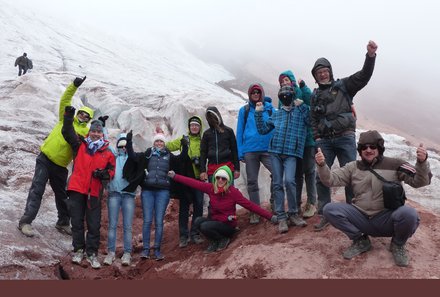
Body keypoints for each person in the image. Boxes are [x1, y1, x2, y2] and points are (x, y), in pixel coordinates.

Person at [315, 130, 432, 267]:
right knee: (329, 209)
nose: (368, 150)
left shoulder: (395, 164)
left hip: (386, 219)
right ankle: (360, 240)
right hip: (361, 217)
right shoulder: (353, 167)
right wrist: (322, 165)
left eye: (372, 146)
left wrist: (422, 162)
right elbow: (330, 180)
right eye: (364, 147)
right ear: (360, 150)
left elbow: (420, 182)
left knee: (409, 214)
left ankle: (397, 245)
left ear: (380, 147)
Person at [310, 40, 378, 231]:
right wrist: (317, 138)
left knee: (351, 175)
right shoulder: (314, 95)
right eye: (318, 72)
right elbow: (313, 118)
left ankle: (353, 212)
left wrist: (370, 56)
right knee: (321, 176)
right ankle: (324, 212)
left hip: (345, 137)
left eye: (324, 70)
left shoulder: (345, 85)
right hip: (325, 141)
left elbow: (364, 76)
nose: (322, 74)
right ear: (315, 76)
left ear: (330, 71)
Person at [18, 76, 92, 237]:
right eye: (82, 114)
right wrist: (74, 85)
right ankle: (26, 222)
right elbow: (65, 98)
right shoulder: (64, 119)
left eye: (87, 117)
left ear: (89, 120)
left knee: (62, 195)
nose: (83, 117)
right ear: (78, 113)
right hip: (45, 159)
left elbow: (92, 144)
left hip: (61, 165)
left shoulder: (86, 132)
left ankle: (63, 222)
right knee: (37, 189)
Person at [168, 165, 277, 253]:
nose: (220, 180)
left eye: (223, 178)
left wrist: (270, 217)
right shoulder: (211, 188)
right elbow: (193, 183)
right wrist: (175, 176)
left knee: (205, 226)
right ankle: (214, 241)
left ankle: (223, 239)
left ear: (228, 180)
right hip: (215, 222)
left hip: (228, 226)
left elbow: (250, 205)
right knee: (198, 221)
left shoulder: (233, 192)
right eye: (218, 177)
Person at [62, 107, 115, 269]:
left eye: (99, 132)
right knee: (77, 222)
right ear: (89, 132)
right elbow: (67, 131)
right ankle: (78, 250)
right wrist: (69, 116)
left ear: (102, 134)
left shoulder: (107, 152)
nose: (96, 134)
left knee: (93, 224)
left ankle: (92, 253)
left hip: (94, 191)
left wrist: (104, 174)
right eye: (93, 131)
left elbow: (112, 171)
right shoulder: (80, 144)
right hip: (77, 188)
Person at [125, 130, 188, 261]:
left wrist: (185, 146)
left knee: (159, 221)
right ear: (154, 143)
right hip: (147, 191)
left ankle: (157, 250)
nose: (159, 143)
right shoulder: (148, 154)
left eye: (161, 141)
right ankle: (146, 250)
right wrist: (129, 142)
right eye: (157, 141)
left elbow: (181, 159)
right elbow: (132, 156)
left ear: (164, 144)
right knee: (147, 221)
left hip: (163, 192)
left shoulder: (169, 155)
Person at [255, 85, 309, 233]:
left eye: (288, 95)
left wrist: (303, 106)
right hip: (275, 152)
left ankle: (293, 214)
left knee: (290, 181)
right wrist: (258, 113)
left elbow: (310, 122)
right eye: (283, 95)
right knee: (278, 183)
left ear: (292, 96)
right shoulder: (277, 114)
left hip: (292, 153)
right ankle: (281, 217)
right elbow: (263, 130)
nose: (286, 97)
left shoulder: (300, 111)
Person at [278, 71, 317, 219]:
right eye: (282, 81)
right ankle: (297, 203)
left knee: (309, 171)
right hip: (293, 142)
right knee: (296, 174)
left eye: (286, 80)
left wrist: (304, 86)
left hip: (307, 139)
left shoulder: (301, 90)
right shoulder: (282, 96)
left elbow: (310, 101)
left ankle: (312, 203)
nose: (284, 83)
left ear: (292, 80)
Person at [236, 83, 275, 224]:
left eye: (258, 92)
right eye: (253, 93)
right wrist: (240, 152)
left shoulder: (270, 109)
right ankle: (255, 211)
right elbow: (239, 131)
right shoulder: (244, 111)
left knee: (276, 173)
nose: (256, 94)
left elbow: (276, 127)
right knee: (252, 181)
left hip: (267, 149)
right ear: (249, 95)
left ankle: (274, 202)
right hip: (250, 149)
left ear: (262, 93)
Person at [166, 116, 205, 248]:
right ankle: (183, 236)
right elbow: (168, 146)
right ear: (189, 127)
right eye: (192, 125)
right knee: (184, 206)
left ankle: (195, 233)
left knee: (199, 205)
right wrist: (159, 143)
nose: (194, 127)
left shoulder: (203, 141)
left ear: (200, 128)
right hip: (185, 179)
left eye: (197, 125)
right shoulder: (184, 139)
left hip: (198, 178)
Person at [103, 133, 136, 266]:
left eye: (125, 146)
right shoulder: (113, 157)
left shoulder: (132, 159)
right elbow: (105, 143)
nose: (123, 148)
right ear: (117, 146)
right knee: (112, 225)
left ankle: (127, 253)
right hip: (114, 194)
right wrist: (103, 126)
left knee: (127, 226)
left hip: (128, 195)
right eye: (120, 146)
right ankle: (111, 253)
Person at [200, 106, 240, 182]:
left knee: (228, 193)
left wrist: (237, 169)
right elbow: (203, 153)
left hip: (227, 168)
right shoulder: (206, 134)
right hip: (212, 169)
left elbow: (234, 151)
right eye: (209, 117)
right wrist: (202, 170)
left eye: (213, 116)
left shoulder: (228, 131)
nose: (212, 119)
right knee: (214, 193)